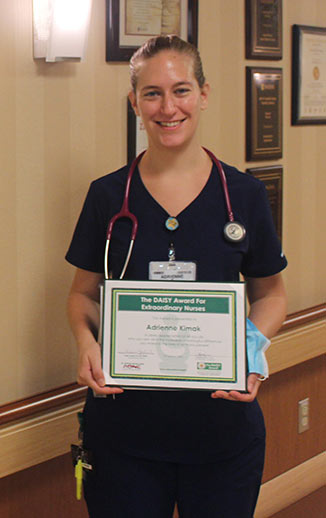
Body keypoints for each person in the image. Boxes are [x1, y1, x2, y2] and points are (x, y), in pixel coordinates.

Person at [66, 35, 287, 518]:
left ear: (204, 94)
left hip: (223, 434)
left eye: (181, 90)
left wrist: (251, 349)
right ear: (134, 102)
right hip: (124, 437)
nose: (168, 107)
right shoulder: (107, 196)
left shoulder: (244, 195)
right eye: (152, 93)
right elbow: (83, 295)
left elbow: (271, 293)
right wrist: (86, 342)